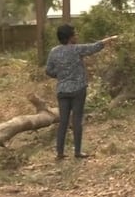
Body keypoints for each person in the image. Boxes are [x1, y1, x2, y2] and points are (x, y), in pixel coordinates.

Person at [45, 24, 117, 160]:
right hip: (78, 90)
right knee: (77, 121)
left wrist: (60, 75)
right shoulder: (77, 49)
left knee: (63, 122)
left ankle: (59, 153)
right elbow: (94, 47)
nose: (76, 36)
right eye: (75, 34)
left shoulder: (54, 51)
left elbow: (48, 70)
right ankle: (77, 152)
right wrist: (111, 39)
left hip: (62, 91)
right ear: (70, 37)